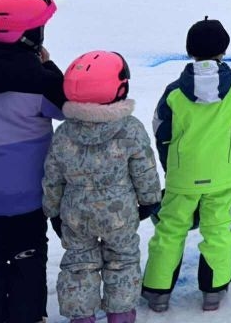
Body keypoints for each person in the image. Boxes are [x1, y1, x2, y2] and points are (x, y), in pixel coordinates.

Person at [42, 51, 161, 323]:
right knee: (123, 261)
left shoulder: (64, 133)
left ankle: (81, 318)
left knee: (78, 265)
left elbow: (53, 175)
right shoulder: (129, 129)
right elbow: (144, 168)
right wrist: (150, 199)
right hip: (119, 215)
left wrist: (52, 210)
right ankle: (120, 316)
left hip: (76, 214)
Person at [141, 18, 231, 313]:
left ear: (190, 50)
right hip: (224, 173)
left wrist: (170, 163)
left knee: (170, 229)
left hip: (183, 174)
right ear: (223, 50)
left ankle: (157, 290)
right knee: (218, 228)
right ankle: (213, 290)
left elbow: (161, 129)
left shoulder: (175, 93)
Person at [0, 0, 64, 323]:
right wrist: (47, 65)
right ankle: (28, 314)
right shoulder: (39, 82)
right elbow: (67, 105)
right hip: (28, 195)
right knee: (29, 256)